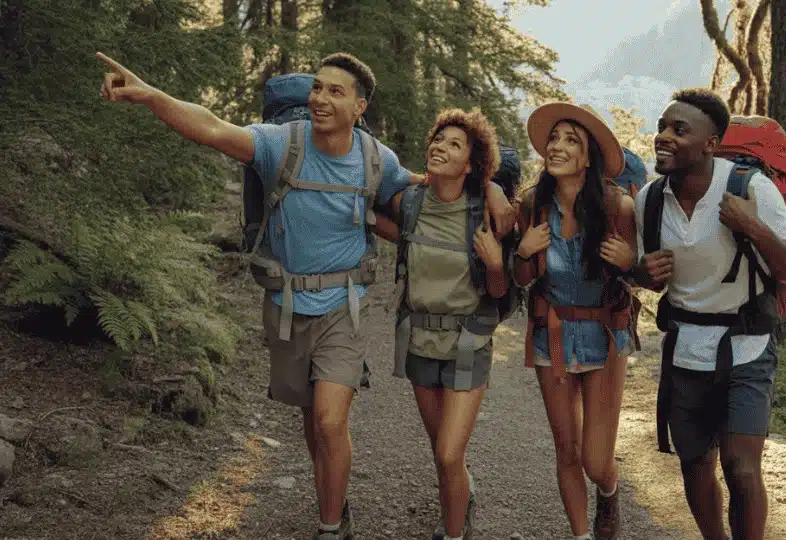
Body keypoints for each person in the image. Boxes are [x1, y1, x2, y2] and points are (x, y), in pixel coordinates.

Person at [95, 51, 516, 540]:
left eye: (335, 91)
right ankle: (335, 497)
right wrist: (149, 95)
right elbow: (210, 127)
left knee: (330, 420)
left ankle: (331, 528)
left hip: (345, 306)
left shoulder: (377, 159)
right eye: (317, 87)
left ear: (359, 107)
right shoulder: (281, 144)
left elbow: (437, 189)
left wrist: (492, 190)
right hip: (287, 306)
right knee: (313, 422)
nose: (320, 98)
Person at [631, 88, 786, 540]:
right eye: (662, 127)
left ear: (711, 144)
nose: (664, 137)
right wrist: (641, 273)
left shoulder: (749, 188)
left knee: (741, 468)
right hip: (685, 350)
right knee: (695, 464)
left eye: (679, 130)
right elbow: (648, 278)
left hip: (746, 346)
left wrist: (751, 225)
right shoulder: (649, 201)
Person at [513, 102, 638, 540]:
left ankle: (609, 489)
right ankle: (582, 535)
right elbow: (520, 279)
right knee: (566, 449)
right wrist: (523, 252)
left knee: (595, 460)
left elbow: (642, 278)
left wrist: (629, 262)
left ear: (588, 159)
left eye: (571, 141)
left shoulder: (618, 207)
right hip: (552, 333)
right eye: (554, 138)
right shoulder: (531, 205)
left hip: (605, 335)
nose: (558, 146)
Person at [387, 108, 509, 540]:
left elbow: (499, 292)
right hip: (418, 340)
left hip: (467, 343)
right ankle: (458, 502)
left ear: (471, 165)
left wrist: (495, 264)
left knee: (449, 453)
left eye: (455, 145)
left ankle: (454, 532)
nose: (441, 147)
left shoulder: (485, 213)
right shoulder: (409, 203)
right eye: (438, 140)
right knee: (442, 453)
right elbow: (365, 193)